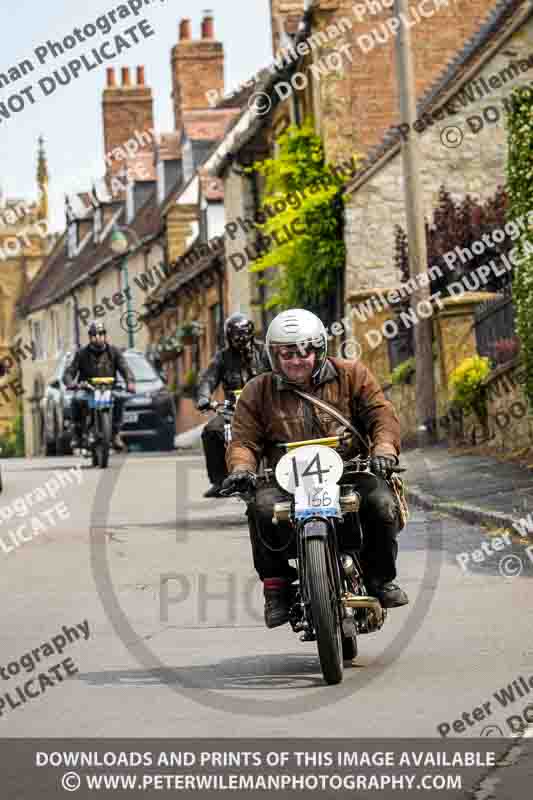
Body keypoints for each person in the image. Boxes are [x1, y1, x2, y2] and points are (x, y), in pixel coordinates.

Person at [222, 308, 409, 629]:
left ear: (320, 349)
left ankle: (380, 579)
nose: (297, 360)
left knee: (381, 504)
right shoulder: (257, 390)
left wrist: (383, 450)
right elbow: (243, 440)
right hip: (284, 479)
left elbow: (382, 417)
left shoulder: (353, 374)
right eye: (287, 353)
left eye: (306, 351)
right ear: (274, 354)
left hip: (350, 470)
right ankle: (277, 588)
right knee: (260, 508)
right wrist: (241, 468)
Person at [196, 312, 270, 498]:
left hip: (264, 408)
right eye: (235, 336)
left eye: (244, 335)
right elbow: (208, 379)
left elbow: (278, 373)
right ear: (228, 337)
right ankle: (219, 481)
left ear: (251, 334)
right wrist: (204, 397)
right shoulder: (222, 358)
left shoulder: (265, 352)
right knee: (211, 431)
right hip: (232, 410)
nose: (240, 340)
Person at [63, 321, 136, 451]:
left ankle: (115, 433)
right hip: (87, 389)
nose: (98, 337)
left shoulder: (114, 352)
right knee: (76, 400)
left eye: (101, 334)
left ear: (105, 335)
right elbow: (70, 371)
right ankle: (77, 434)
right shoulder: (81, 353)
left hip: (109, 387)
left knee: (119, 399)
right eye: (94, 335)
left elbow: (125, 368)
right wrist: (70, 383)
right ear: (90, 337)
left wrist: (129, 382)